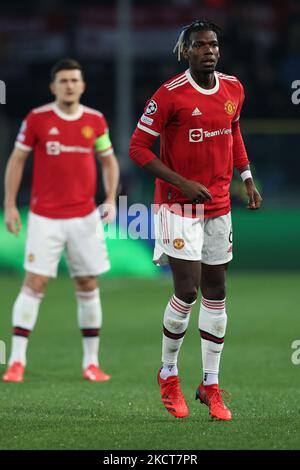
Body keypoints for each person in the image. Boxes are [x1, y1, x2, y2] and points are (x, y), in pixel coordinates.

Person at [129, 20, 262, 421]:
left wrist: (247, 177)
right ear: (185, 51)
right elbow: (137, 148)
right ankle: (168, 373)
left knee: (217, 291)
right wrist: (181, 182)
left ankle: (210, 383)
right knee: (187, 290)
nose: (209, 51)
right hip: (176, 205)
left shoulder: (233, 88)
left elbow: (233, 130)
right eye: (200, 45)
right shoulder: (168, 95)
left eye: (214, 45)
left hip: (219, 204)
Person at [3, 58, 119, 383]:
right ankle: (16, 361)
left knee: (87, 283)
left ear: (82, 86)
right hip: (45, 217)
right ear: (53, 86)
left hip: (84, 217)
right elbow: (17, 160)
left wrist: (110, 199)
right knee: (35, 283)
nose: (69, 85)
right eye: (63, 80)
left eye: (74, 80)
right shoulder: (37, 119)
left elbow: (109, 162)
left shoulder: (95, 121)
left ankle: (91, 363)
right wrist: (10, 205)